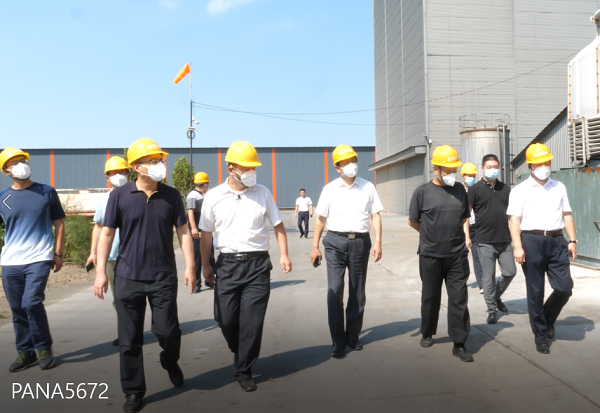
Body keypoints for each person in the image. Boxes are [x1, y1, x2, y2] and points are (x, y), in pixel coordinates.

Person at [93, 138, 196, 413]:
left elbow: (183, 231)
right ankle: (133, 391)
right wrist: (101, 272)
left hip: (163, 276)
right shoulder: (120, 196)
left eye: (159, 160)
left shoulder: (172, 195)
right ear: (137, 167)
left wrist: (190, 266)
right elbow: (107, 233)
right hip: (128, 276)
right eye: (152, 161)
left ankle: (170, 360)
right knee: (129, 340)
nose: (159, 164)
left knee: (168, 331)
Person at [200, 141, 291, 393]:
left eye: (254, 167)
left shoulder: (263, 193)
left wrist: (284, 254)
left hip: (257, 265)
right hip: (227, 265)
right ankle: (240, 350)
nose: (251, 172)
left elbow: (278, 224)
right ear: (231, 169)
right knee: (225, 319)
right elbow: (206, 232)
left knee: (252, 322)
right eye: (246, 167)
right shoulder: (214, 196)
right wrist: (205, 264)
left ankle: (244, 370)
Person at [311, 144, 383, 358]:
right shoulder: (330, 189)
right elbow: (321, 219)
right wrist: (315, 246)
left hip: (360, 243)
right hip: (335, 243)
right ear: (337, 167)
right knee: (335, 290)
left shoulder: (367, 187)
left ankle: (352, 335)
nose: (352, 165)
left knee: (357, 291)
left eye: (354, 161)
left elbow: (376, 215)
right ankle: (337, 340)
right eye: (347, 162)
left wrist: (378, 242)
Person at [507, 143, 576, 355]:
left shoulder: (559, 187)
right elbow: (514, 220)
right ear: (530, 166)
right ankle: (541, 336)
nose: (544, 167)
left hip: (557, 241)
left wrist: (572, 240)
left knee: (564, 287)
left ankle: (545, 319)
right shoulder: (520, 190)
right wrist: (518, 246)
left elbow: (566, 214)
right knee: (536, 291)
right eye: (539, 164)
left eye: (546, 162)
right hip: (531, 241)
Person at [0, 147, 65, 372]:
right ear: (6, 170)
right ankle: (25, 352)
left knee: (31, 302)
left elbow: (59, 223)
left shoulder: (46, 191)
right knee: (17, 308)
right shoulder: (3, 198)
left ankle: (43, 347)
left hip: (39, 257)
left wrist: (58, 254)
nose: (21, 165)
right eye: (14, 162)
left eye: (23, 160)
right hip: (10, 262)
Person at [408, 145, 474, 362]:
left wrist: (464, 238)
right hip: (430, 254)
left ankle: (459, 342)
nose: (451, 173)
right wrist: (430, 234)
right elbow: (413, 221)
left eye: (454, 169)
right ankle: (427, 332)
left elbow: (464, 218)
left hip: (457, 255)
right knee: (430, 296)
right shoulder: (422, 192)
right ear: (435, 169)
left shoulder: (460, 190)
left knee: (459, 298)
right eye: (447, 170)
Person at [86, 156, 130, 346]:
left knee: (134, 296)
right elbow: (99, 227)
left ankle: (135, 329)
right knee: (119, 297)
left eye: (122, 171)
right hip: (112, 257)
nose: (118, 175)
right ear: (108, 177)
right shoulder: (105, 199)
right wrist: (93, 253)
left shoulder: (137, 195)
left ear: (129, 173)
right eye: (114, 173)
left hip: (134, 256)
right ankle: (126, 332)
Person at [468, 154, 516, 325]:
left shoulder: (505, 189)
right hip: (484, 240)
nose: (492, 169)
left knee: (510, 272)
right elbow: (465, 215)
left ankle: (495, 296)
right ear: (482, 169)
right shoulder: (475, 190)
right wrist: (466, 235)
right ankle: (492, 310)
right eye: (489, 167)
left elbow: (513, 215)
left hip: (504, 239)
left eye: (495, 166)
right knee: (488, 277)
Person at [187, 171, 215, 293]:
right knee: (197, 257)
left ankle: (210, 279)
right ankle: (197, 283)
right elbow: (190, 212)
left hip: (206, 230)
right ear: (205, 184)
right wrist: (193, 227)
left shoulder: (206, 195)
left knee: (210, 255)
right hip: (197, 231)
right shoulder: (192, 195)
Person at [461, 163, 483, 294]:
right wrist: (466, 235)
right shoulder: (458, 191)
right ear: (463, 176)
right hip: (462, 229)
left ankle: (482, 284)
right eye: (469, 176)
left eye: (473, 176)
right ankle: (460, 282)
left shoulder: (477, 190)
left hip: (476, 228)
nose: (471, 178)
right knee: (462, 256)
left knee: (478, 256)